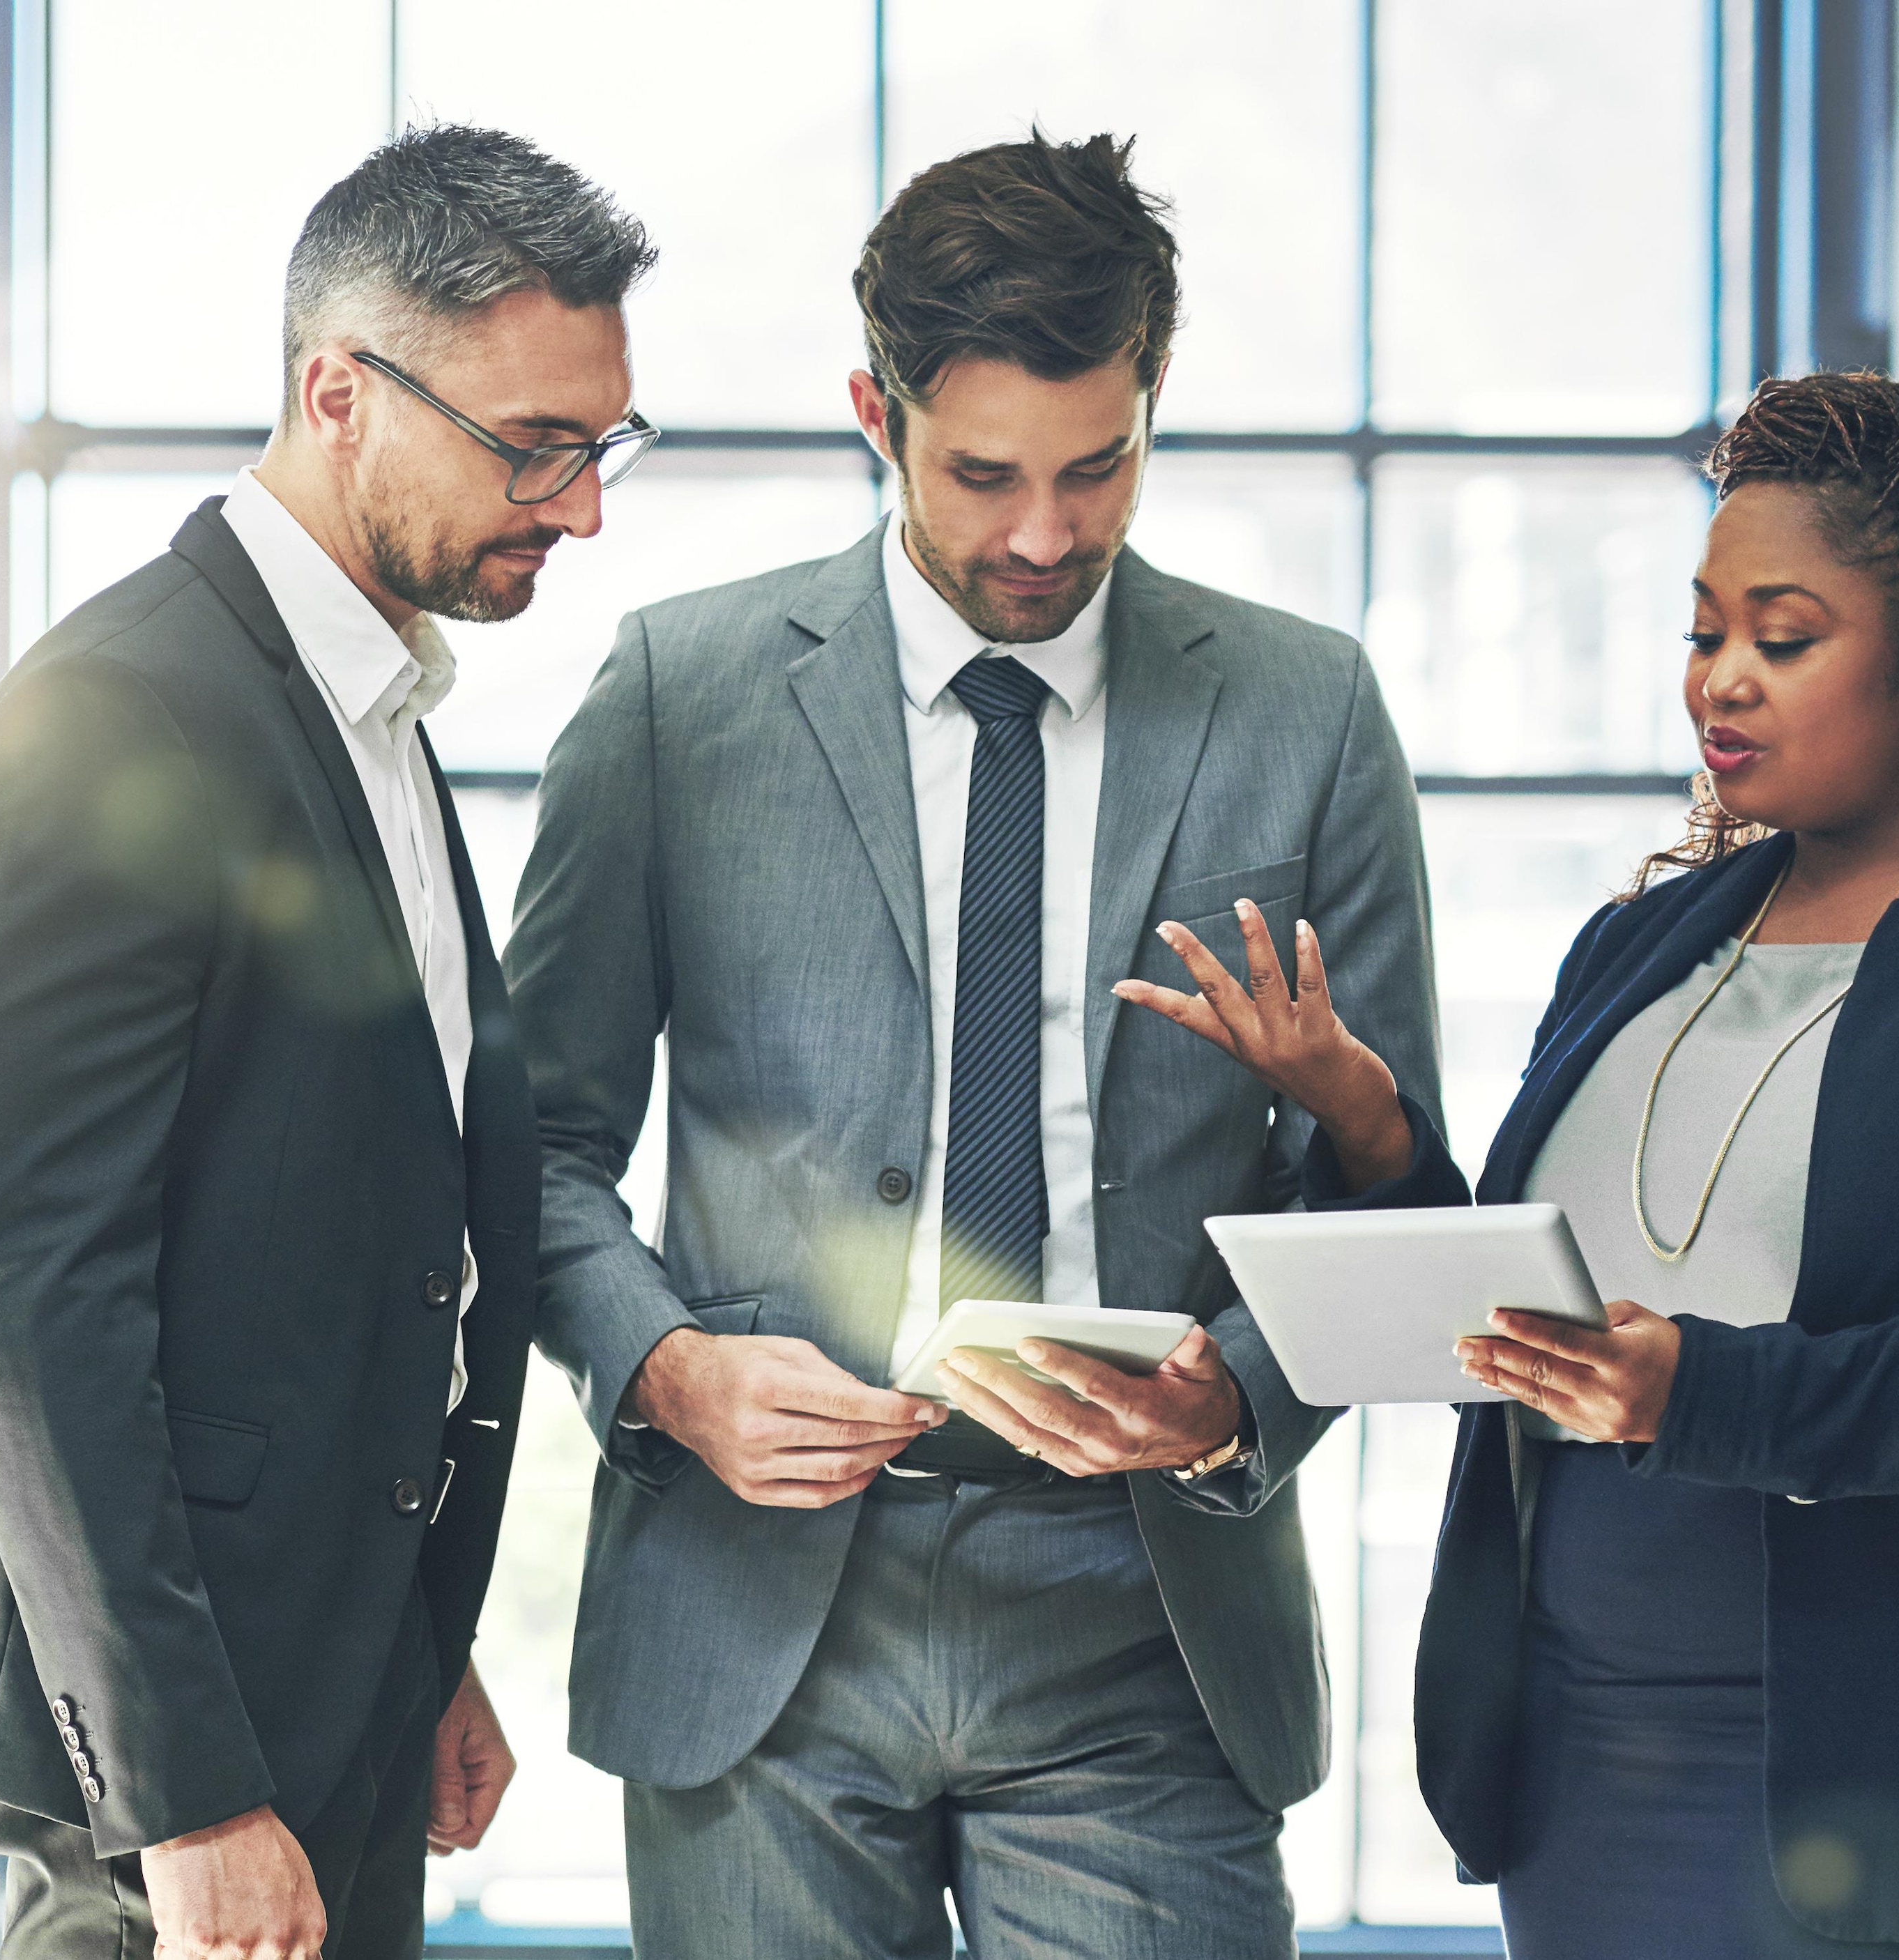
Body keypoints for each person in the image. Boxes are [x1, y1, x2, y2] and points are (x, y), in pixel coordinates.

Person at [1113, 371, 1899, 1957]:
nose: (1718, 682)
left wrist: (1695, 1395)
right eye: (1701, 630)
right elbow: (1516, 1330)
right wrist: (1364, 1117)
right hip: (1581, 1758)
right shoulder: (1644, 942)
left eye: (1780, 639)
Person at [505, 132, 1440, 1958]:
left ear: (1154, 395)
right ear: (878, 408)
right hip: (763, 1611)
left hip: (1144, 1606)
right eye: (983, 472)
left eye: (1100, 467)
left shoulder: (1308, 712)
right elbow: (532, 1147)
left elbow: (1391, 1183)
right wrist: (670, 1365)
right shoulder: (676, 697)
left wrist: (1239, 1386)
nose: (1041, 533)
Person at [0, 125, 659, 1960]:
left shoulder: (365, 704)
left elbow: (357, 1239)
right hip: (158, 1745)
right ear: (338, 393)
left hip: (329, 1672)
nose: (581, 506)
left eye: (600, 444)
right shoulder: (107, 725)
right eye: (534, 447)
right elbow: (28, 1295)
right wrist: (188, 1793)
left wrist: (417, 1635)